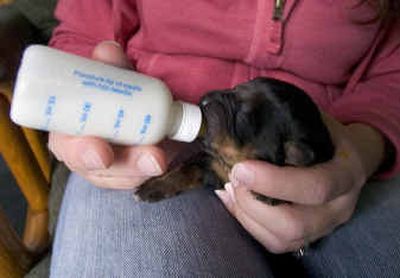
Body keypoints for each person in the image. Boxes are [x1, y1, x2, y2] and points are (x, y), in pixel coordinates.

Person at [47, 0, 400, 277]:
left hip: (338, 150)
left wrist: (364, 146)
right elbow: (83, 35)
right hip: (146, 144)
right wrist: (82, 94)